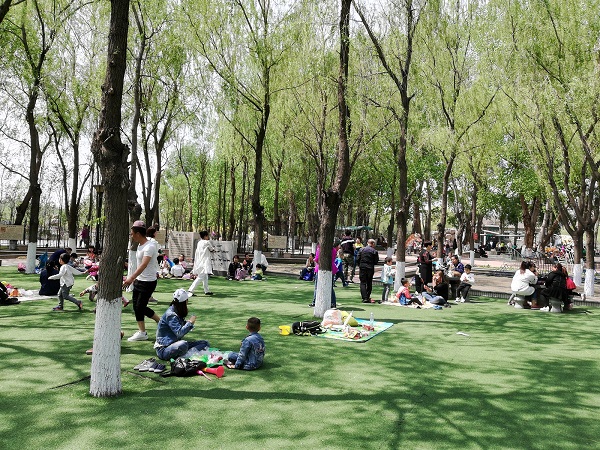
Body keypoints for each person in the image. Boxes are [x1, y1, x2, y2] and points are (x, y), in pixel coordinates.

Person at [123, 221, 161, 342]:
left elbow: (144, 265)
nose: (131, 235)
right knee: (137, 307)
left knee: (140, 306)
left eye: (132, 233)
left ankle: (159, 322)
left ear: (138, 234)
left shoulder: (149, 246)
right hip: (139, 280)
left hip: (148, 281)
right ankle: (143, 332)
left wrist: (131, 278)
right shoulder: (140, 245)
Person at [154, 288, 210, 361]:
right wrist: (190, 322)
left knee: (205, 343)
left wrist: (188, 323)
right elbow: (179, 333)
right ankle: (187, 356)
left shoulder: (176, 310)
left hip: (174, 344)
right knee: (183, 344)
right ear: (185, 301)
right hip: (164, 349)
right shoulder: (171, 314)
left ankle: (187, 354)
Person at [308, 241, 339, 308]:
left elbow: (317, 259)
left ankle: (314, 302)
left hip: (320, 268)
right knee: (330, 287)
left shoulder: (320, 249)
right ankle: (333, 302)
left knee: (317, 286)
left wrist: (314, 260)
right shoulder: (333, 249)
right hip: (331, 268)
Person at [188, 230, 216, 296]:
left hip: (199, 261)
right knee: (201, 277)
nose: (208, 237)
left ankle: (207, 290)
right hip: (204, 262)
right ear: (205, 236)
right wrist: (213, 250)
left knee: (205, 277)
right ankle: (190, 290)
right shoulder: (207, 242)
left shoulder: (199, 242)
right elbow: (212, 249)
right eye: (208, 235)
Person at [357, 238, 379, 303]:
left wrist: (360, 265)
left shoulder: (361, 249)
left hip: (362, 267)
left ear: (367, 243)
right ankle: (367, 296)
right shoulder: (374, 251)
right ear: (373, 244)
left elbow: (358, 259)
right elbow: (376, 261)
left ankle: (364, 297)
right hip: (370, 268)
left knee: (363, 282)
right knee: (369, 282)